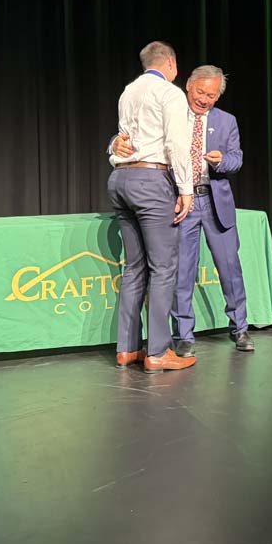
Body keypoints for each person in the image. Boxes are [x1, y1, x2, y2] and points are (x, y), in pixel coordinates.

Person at [112, 65, 253, 356]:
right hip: (179, 202)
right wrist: (114, 143)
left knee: (230, 269)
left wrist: (223, 160)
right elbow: (135, 138)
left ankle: (240, 328)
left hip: (214, 202)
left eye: (212, 95)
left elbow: (237, 159)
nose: (205, 99)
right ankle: (184, 334)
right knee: (181, 272)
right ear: (188, 86)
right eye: (201, 92)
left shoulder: (227, 122)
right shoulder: (170, 111)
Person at [106, 42, 196, 373]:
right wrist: (186, 189)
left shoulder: (128, 92)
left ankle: (128, 349)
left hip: (120, 179)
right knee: (163, 268)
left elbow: (121, 140)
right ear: (171, 63)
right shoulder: (169, 93)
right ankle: (158, 351)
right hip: (150, 182)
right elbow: (176, 143)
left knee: (134, 267)